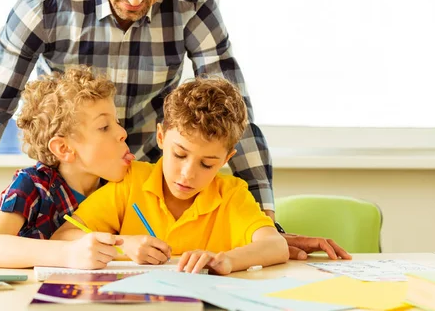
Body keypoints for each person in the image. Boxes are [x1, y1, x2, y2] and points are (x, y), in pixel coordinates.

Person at [0, 0, 349, 264]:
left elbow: (235, 117)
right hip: (72, 202)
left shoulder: (194, 8)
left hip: (145, 198)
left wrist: (267, 227)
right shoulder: (47, 4)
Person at [52, 77, 290, 275]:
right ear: (161, 137)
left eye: (207, 165)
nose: (188, 175)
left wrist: (227, 260)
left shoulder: (230, 194)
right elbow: (63, 237)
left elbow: (275, 245)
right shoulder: (131, 181)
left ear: (226, 159)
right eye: (179, 154)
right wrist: (124, 245)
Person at [0, 66, 133, 268]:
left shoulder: (120, 188)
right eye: (104, 127)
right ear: (64, 148)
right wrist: (69, 253)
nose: (122, 132)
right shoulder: (33, 185)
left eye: (117, 122)